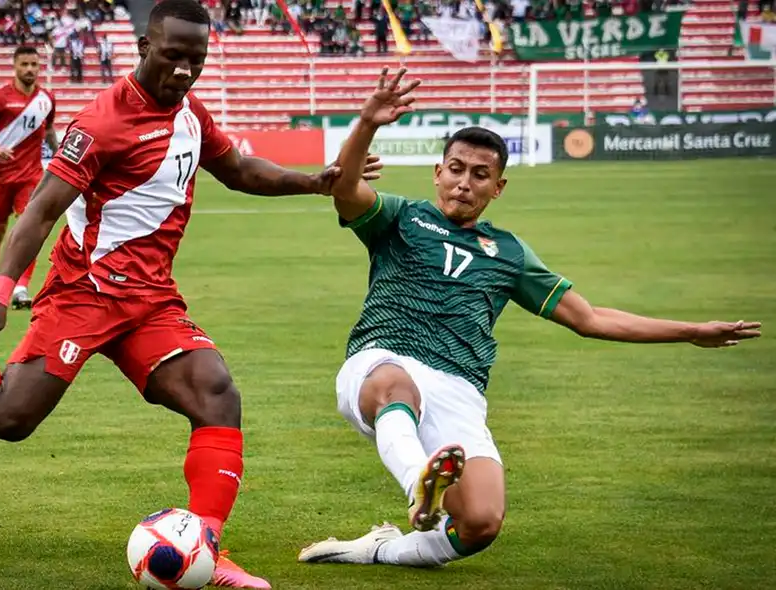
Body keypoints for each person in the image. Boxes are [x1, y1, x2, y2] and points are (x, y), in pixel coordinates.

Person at [0, 0, 381, 587]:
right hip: (84, 293)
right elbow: (41, 212)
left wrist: (314, 182)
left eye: (195, 60)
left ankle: (205, 549)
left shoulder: (190, 109)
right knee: (5, 417)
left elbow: (239, 170)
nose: (183, 70)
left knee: (216, 397)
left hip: (150, 299)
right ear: (145, 49)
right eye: (173, 56)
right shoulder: (100, 122)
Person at [297, 68, 762, 569]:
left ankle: (380, 549)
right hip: (382, 361)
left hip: (458, 386)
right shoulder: (400, 217)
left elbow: (589, 317)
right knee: (394, 382)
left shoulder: (509, 253)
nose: (464, 183)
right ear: (438, 172)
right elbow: (344, 189)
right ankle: (419, 486)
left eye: (479, 175)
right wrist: (367, 120)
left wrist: (690, 332)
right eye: (456, 169)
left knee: (480, 523)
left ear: (498, 187)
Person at [0, 45, 59, 309]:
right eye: (25, 64)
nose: (30, 69)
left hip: (31, 177)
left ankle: (20, 288)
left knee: (28, 229)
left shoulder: (47, 99)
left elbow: (50, 130)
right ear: (15, 66)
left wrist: (59, 156)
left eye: (34, 64)